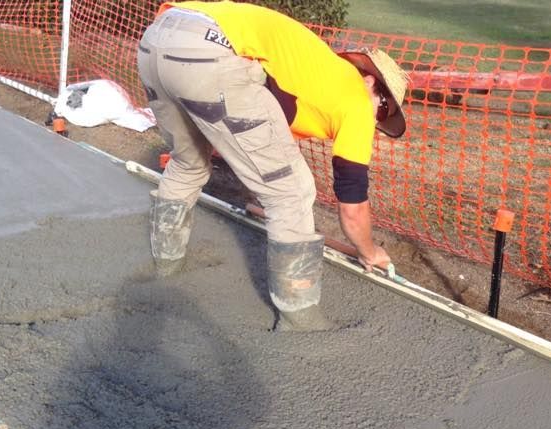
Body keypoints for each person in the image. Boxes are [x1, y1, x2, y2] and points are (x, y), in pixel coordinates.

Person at [137, 0, 408, 331]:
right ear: (369, 81)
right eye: (383, 106)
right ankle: (299, 318)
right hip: (211, 51)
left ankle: (166, 264)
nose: (377, 117)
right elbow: (352, 206)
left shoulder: (316, 71)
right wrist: (369, 250)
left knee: (188, 162)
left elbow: (259, 132)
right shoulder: (354, 99)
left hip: (158, 39)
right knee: (292, 192)